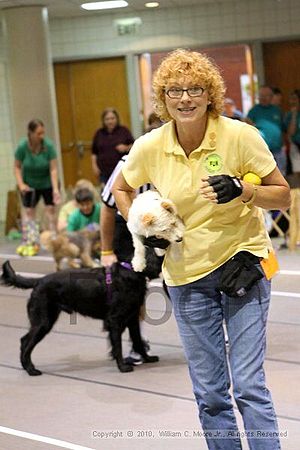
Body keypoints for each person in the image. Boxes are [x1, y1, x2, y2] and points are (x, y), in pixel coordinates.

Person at [111, 49, 290, 450]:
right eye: (175, 90)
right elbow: (121, 188)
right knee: (210, 393)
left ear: (210, 94)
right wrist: (138, 222)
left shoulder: (239, 135)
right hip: (187, 277)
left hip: (242, 267)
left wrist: (244, 190)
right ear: (164, 98)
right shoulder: (150, 145)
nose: (185, 98)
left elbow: (282, 197)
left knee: (247, 386)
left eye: (195, 89)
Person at [101, 155, 155, 365]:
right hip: (128, 227)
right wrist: (106, 251)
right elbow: (107, 207)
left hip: (163, 223)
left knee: (179, 283)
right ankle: (137, 342)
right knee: (133, 289)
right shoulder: (128, 163)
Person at [14, 119, 61, 256]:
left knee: (50, 211)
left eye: (43, 133)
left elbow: (53, 169)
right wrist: (21, 184)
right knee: (29, 212)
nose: (41, 136)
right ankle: (32, 240)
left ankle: (54, 239)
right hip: (29, 184)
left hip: (47, 182)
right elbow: (17, 167)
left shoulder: (48, 146)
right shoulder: (23, 146)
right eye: (38, 133)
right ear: (31, 133)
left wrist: (55, 189)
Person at [246, 85, 286, 175]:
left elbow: (282, 128)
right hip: (262, 150)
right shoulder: (254, 110)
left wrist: (284, 145)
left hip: (278, 149)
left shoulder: (277, 110)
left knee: (282, 175)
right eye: (261, 96)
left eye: (265, 96)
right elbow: (247, 126)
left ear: (271, 97)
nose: (262, 98)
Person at [91, 108, 134, 185]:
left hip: (121, 170)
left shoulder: (124, 131)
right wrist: (94, 166)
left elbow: (134, 146)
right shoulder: (99, 133)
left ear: (117, 119)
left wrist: (125, 147)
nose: (110, 121)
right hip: (104, 172)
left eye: (112, 118)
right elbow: (94, 152)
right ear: (103, 121)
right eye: (107, 119)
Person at [284, 89, 300, 173]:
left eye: (294, 99)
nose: (292, 101)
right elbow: (291, 133)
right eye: (290, 99)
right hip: (295, 145)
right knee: (297, 171)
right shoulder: (289, 115)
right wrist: (294, 115)